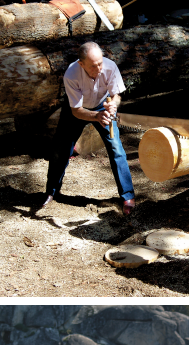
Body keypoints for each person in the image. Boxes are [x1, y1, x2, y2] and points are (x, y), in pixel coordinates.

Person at [43, 42, 136, 215]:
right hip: (76, 110)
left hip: (102, 106)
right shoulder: (72, 73)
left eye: (100, 63)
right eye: (94, 66)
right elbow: (77, 111)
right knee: (61, 149)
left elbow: (116, 95)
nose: (99, 68)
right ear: (81, 64)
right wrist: (95, 116)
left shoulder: (110, 67)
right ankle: (51, 191)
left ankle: (127, 196)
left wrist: (113, 106)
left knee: (116, 148)